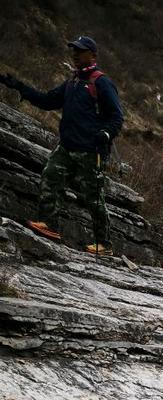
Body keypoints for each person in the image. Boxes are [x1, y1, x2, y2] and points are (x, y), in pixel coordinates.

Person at [0, 36, 124, 256]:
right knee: (50, 177)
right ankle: (49, 226)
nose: (75, 54)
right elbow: (47, 101)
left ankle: (104, 245)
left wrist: (105, 133)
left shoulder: (101, 82)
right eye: (73, 50)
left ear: (93, 55)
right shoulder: (72, 82)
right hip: (67, 147)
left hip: (91, 151)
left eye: (80, 51)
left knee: (93, 198)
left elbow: (116, 117)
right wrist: (19, 86)